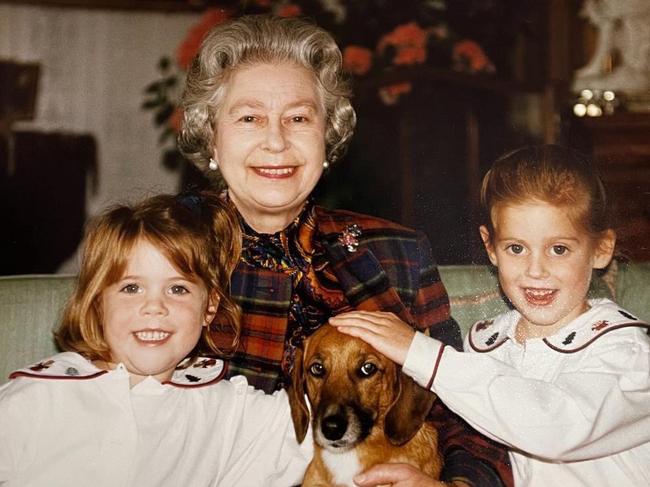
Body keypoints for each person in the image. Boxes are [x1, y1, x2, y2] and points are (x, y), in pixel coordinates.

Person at [178, 13, 512, 487]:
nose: (276, 141)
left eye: (298, 117)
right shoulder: (164, 250)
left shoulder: (396, 252)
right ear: (211, 134)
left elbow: (467, 408)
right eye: (249, 117)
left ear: (327, 138)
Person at [332, 144, 650, 486]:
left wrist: (421, 354)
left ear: (601, 249)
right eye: (516, 248)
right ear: (490, 247)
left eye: (559, 249)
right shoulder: (483, 343)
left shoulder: (628, 352)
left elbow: (552, 426)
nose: (536, 270)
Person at [0, 191, 311, 486]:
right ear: (98, 303)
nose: (154, 307)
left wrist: (360, 330)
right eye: (131, 288)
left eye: (178, 289)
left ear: (209, 307)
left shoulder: (229, 411)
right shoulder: (34, 399)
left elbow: (328, 432)